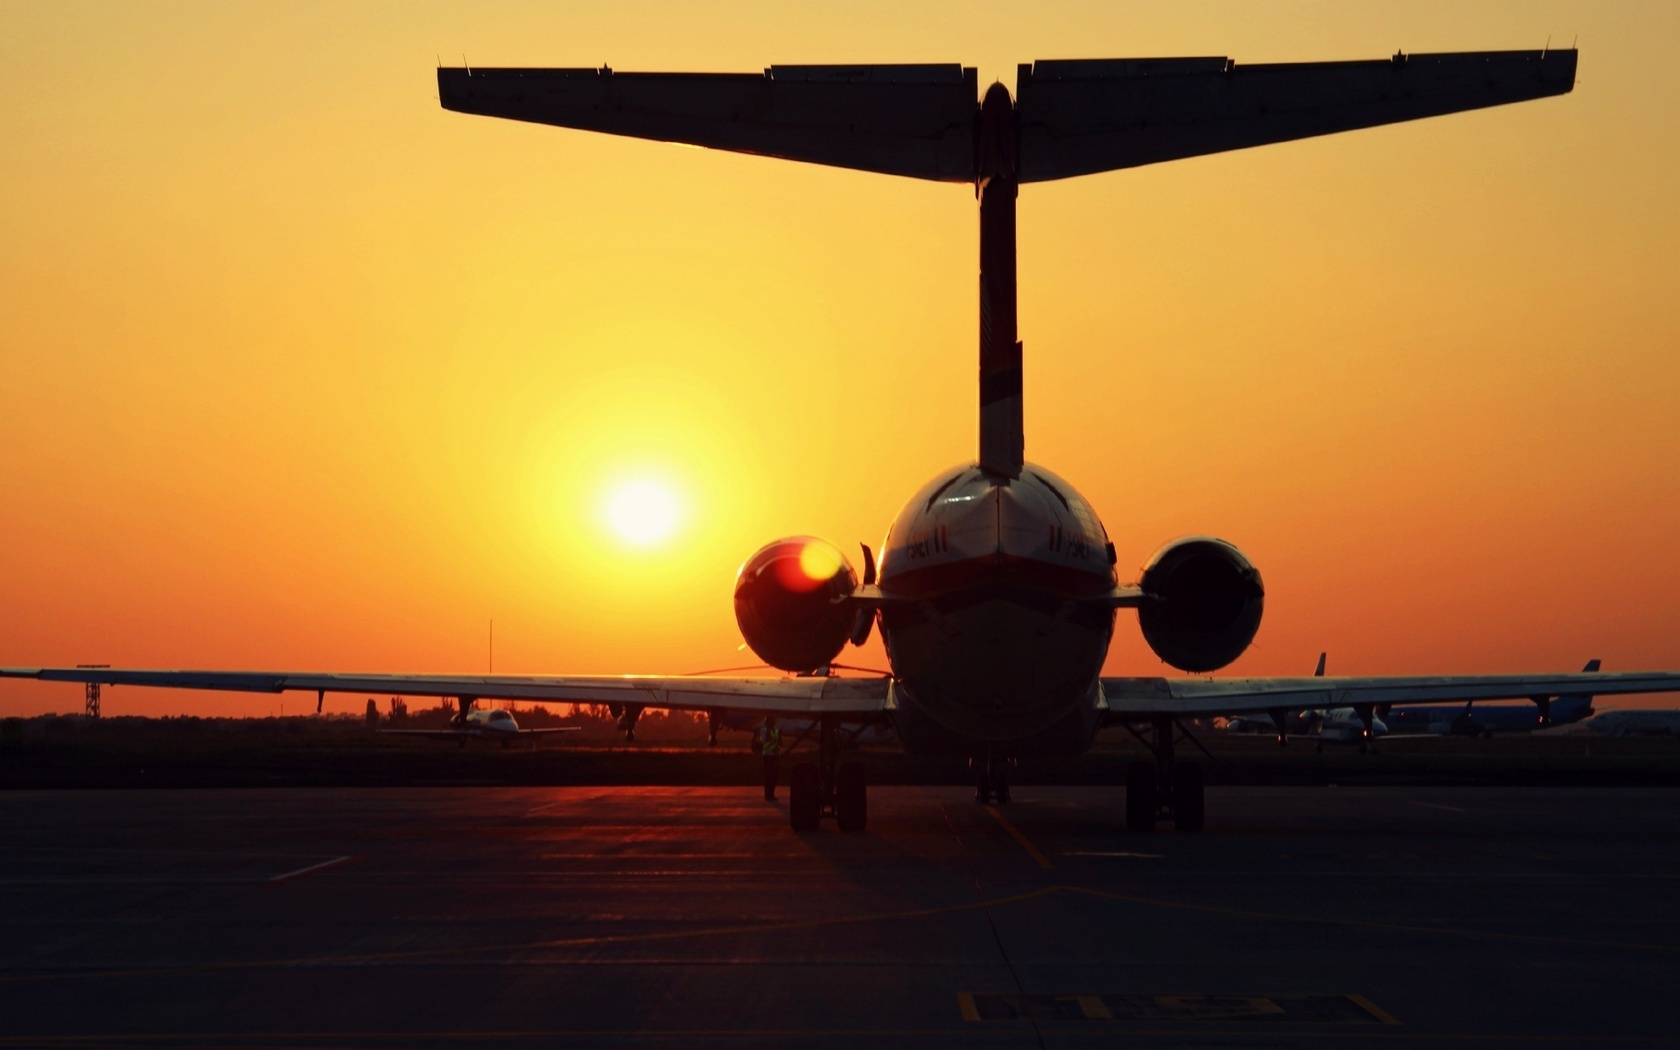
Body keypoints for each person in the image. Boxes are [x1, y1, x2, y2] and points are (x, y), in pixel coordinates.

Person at [756, 716, 782, 801]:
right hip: (767, 755)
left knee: (774, 776)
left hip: (775, 755)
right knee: (768, 776)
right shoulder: (763, 730)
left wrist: (779, 736)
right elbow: (766, 739)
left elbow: (780, 742)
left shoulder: (776, 730)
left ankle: (772, 794)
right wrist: (769, 730)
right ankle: (768, 795)